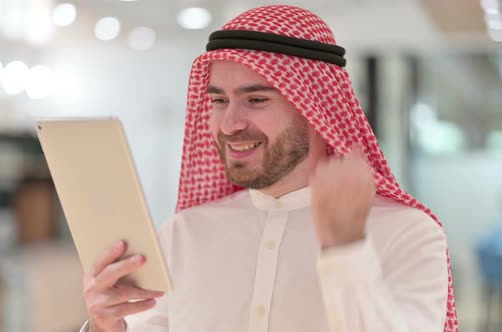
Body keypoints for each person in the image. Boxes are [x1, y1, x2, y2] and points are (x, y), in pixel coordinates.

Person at [80, 5, 458, 332]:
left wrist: (346, 250)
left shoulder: (408, 233)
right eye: (219, 100)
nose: (229, 124)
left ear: (314, 108)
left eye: (256, 99)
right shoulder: (183, 234)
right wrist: (106, 326)